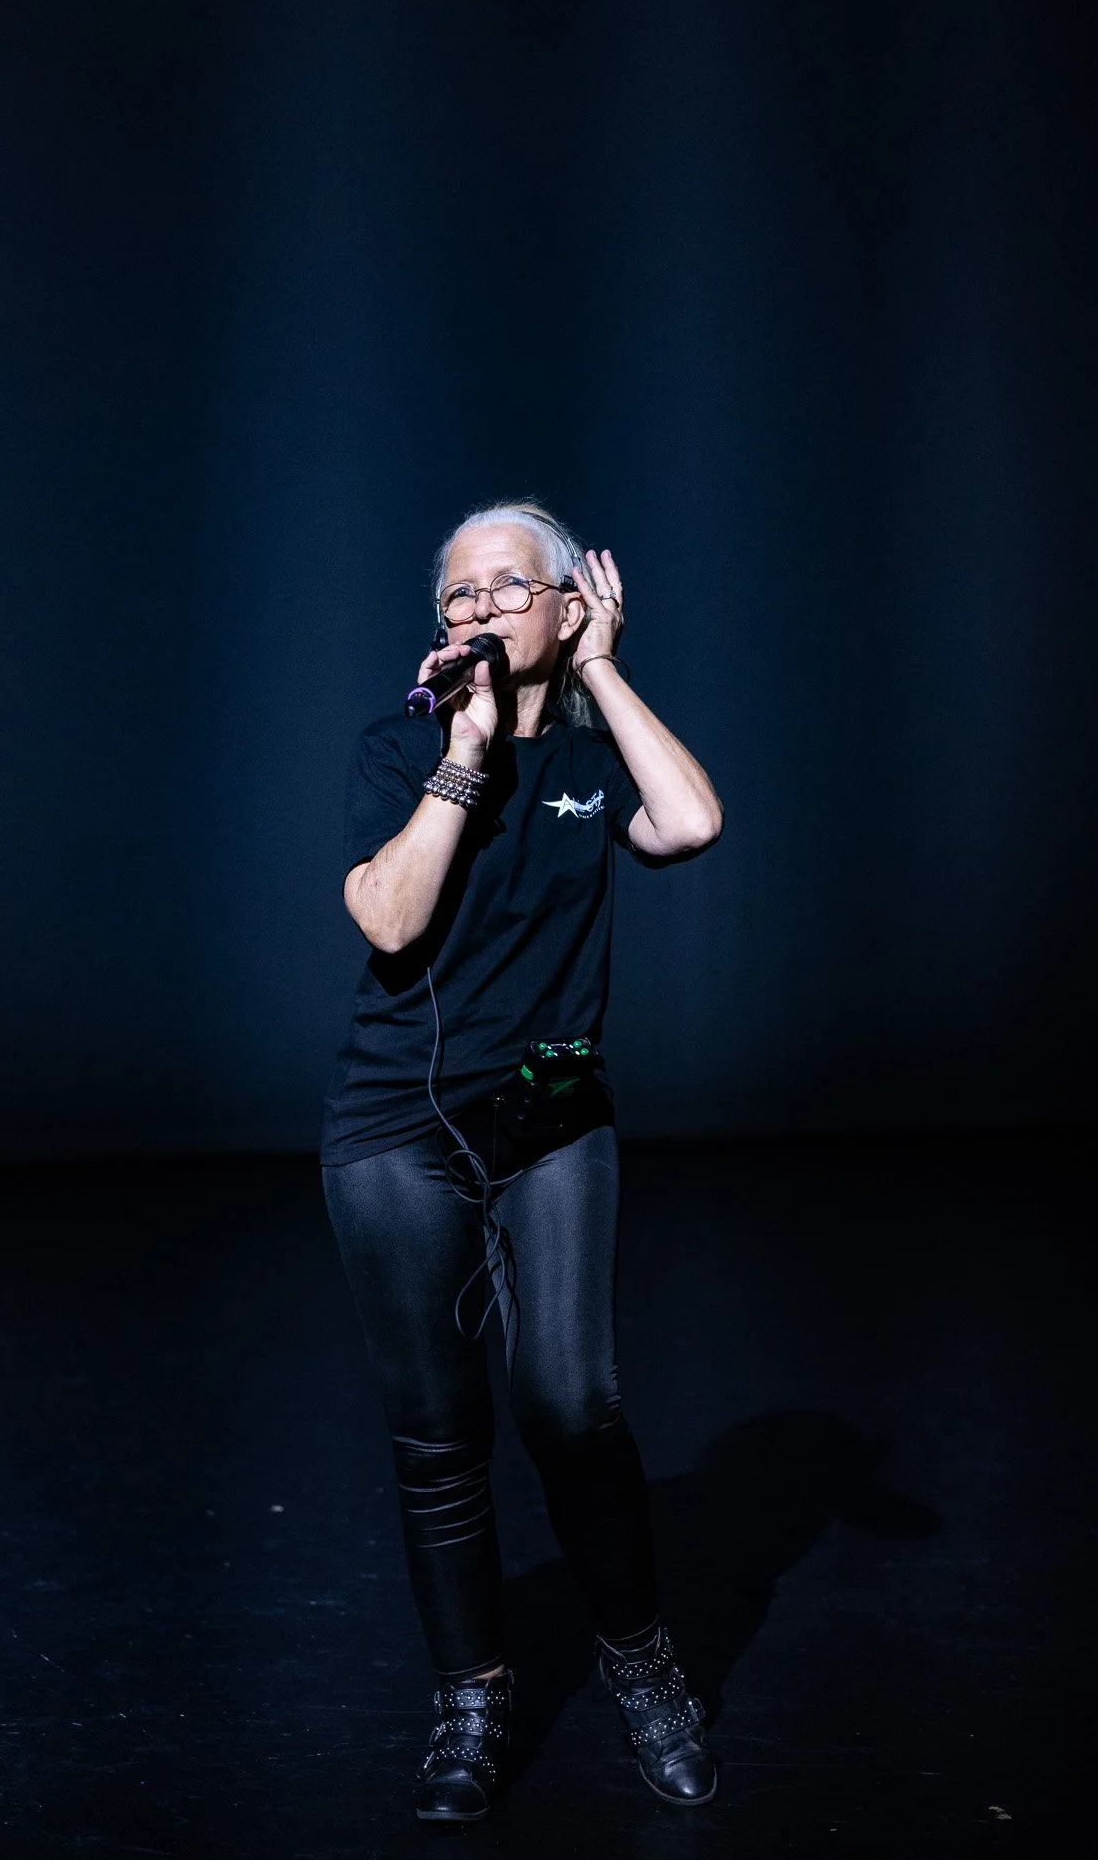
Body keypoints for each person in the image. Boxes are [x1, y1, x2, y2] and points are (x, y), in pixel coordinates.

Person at [319, 501, 724, 1822]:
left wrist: (604, 667)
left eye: (508, 586)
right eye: (458, 593)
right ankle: (473, 1698)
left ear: (564, 603)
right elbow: (389, 922)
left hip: (551, 1108)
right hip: (399, 1125)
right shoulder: (400, 745)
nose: (480, 608)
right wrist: (465, 753)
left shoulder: (598, 756)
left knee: (569, 1405)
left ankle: (638, 1661)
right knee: (439, 1435)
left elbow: (690, 825)